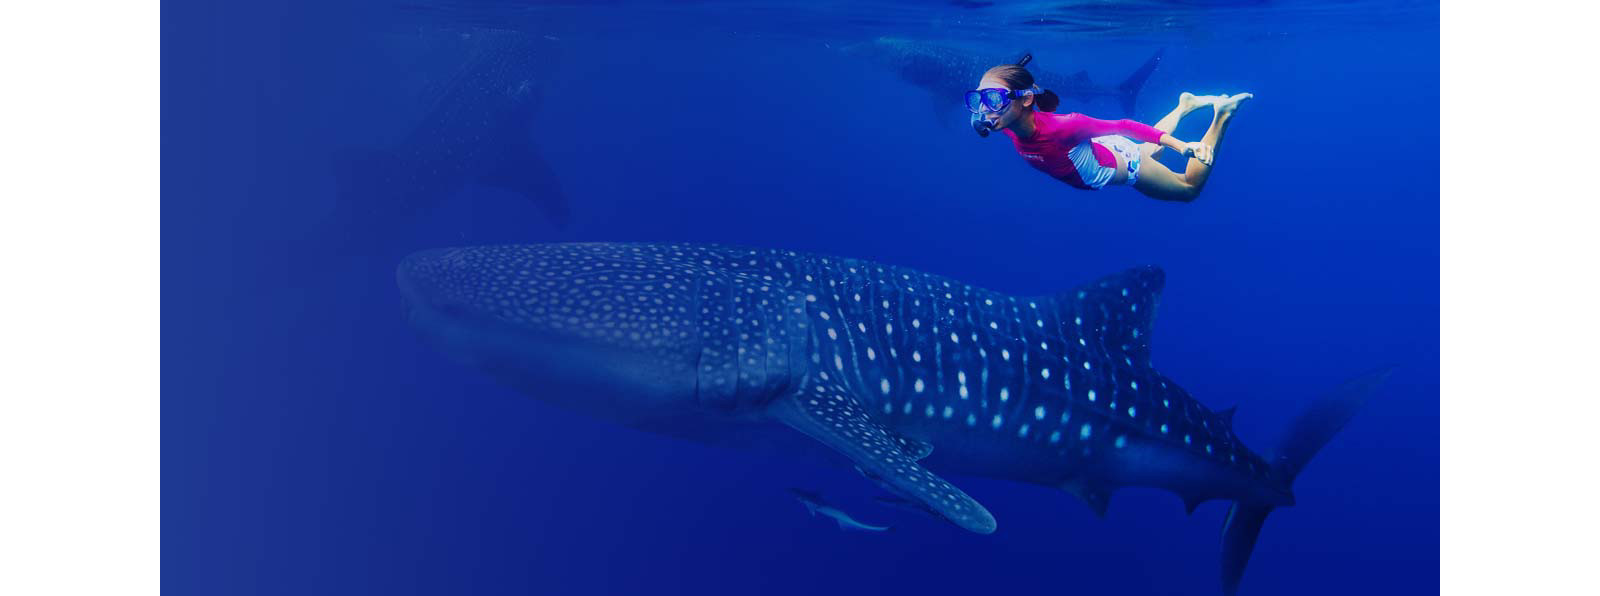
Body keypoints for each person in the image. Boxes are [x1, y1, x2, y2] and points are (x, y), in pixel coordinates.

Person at [970, 58, 1250, 202]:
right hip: (1109, 152)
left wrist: (1183, 147)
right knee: (1145, 151)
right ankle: (1184, 106)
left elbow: (1124, 126)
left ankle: (1222, 115)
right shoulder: (1006, 124)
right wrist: (983, 113)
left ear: (1027, 99)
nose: (985, 111)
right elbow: (985, 116)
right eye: (978, 100)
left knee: (1188, 189)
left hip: (1127, 166)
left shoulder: (1064, 126)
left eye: (993, 100)